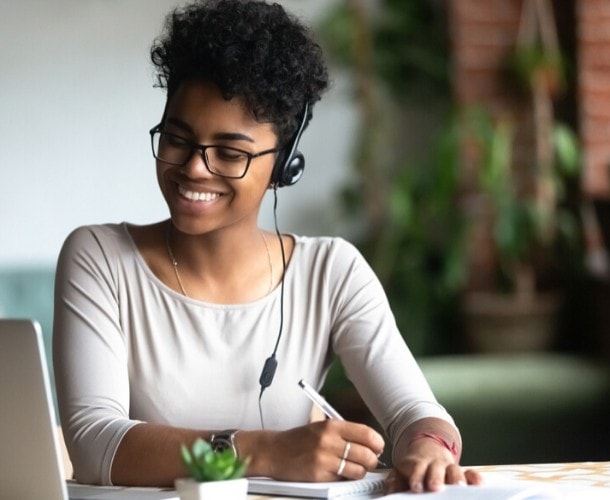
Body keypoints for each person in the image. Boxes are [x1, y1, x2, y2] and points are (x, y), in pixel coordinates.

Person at [53, 0, 482, 494]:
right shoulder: (100, 258)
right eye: (178, 139)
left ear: (283, 167)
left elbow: (418, 415)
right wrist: (265, 452)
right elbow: (92, 444)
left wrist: (428, 448)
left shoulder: (331, 272)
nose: (195, 168)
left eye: (230, 153)